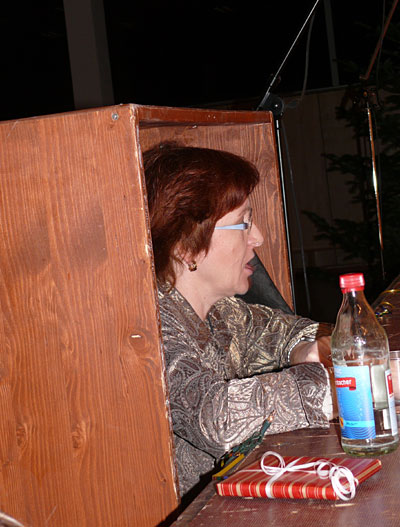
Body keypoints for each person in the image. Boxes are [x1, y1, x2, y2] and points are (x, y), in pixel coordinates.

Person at [143, 142, 334, 499]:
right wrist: (340, 386)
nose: (257, 237)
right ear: (186, 246)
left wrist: (307, 350)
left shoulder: (222, 312)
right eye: (244, 223)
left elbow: (284, 333)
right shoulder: (150, 329)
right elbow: (218, 418)